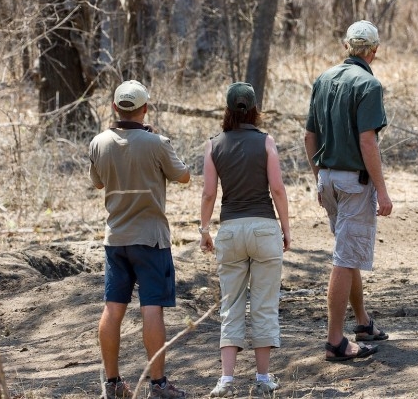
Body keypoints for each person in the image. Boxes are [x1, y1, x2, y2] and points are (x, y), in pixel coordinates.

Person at [89, 80, 191, 399]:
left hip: (115, 239)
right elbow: (184, 175)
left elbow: (96, 183)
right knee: (152, 308)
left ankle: (112, 384)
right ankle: (158, 385)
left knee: (113, 309)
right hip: (151, 239)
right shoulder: (157, 142)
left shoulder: (99, 142)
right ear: (145, 109)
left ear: (114, 107)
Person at [305, 20, 393, 362]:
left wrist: (319, 177)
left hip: (326, 177)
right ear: (373, 51)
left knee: (347, 250)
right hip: (353, 182)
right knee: (344, 258)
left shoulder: (323, 79)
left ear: (346, 46)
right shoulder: (368, 84)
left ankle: (363, 323)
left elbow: (309, 137)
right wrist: (382, 191)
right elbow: (367, 140)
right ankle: (335, 342)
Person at [199, 82, 291, 397]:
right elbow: (277, 188)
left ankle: (225, 379)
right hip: (264, 228)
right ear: (254, 110)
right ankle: (263, 378)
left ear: (228, 109)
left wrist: (204, 229)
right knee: (264, 304)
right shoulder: (266, 142)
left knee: (231, 303)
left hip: (231, 229)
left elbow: (209, 192)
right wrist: (286, 228)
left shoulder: (213, 145)